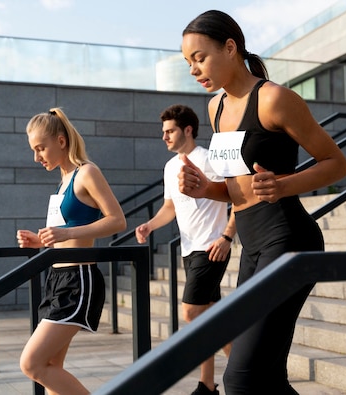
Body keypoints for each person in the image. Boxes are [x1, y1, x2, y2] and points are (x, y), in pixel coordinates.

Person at [178, 10, 346, 394]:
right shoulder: (215, 107)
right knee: (267, 377)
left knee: (240, 378)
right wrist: (205, 188)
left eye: (199, 57)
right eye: (188, 62)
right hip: (252, 247)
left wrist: (285, 186)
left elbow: (337, 163)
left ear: (230, 47)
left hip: (288, 240)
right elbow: (237, 190)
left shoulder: (274, 99)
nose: (193, 69)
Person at [16, 108, 127, 395]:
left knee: (32, 363)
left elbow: (117, 220)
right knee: (51, 366)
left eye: (41, 148)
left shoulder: (87, 172)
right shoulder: (63, 181)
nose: (36, 157)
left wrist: (66, 233)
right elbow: (65, 233)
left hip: (78, 280)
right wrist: (41, 242)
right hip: (56, 279)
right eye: (34, 150)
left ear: (61, 141)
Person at [135, 104, 235, 395]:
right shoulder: (170, 167)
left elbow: (237, 196)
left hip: (212, 247)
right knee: (210, 315)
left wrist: (227, 237)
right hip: (189, 250)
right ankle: (209, 383)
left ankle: (244, 373)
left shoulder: (208, 159)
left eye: (169, 131)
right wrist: (150, 226)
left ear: (187, 130)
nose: (164, 137)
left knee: (192, 313)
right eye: (163, 132)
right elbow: (170, 207)